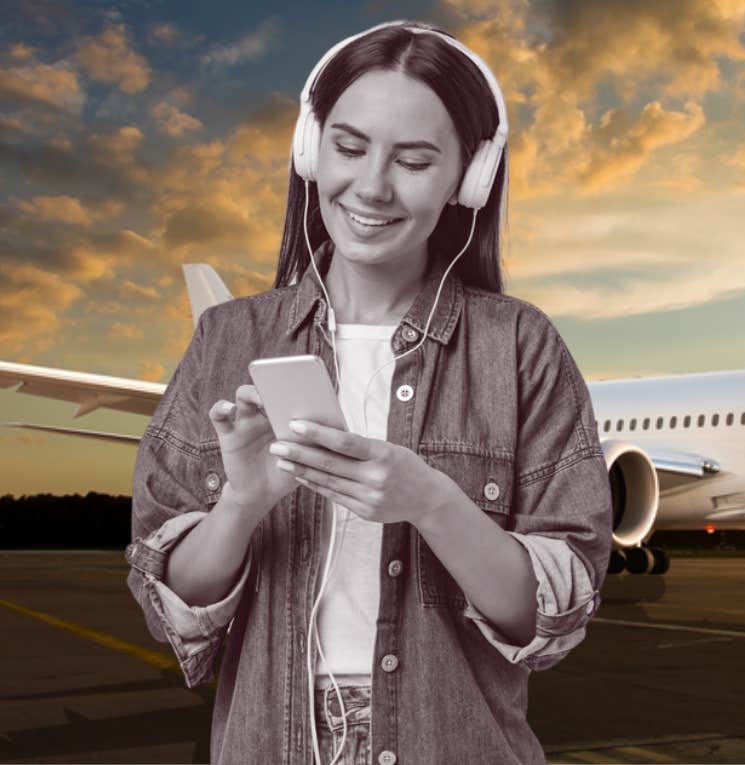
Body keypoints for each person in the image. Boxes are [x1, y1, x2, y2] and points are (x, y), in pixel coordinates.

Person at [124, 20, 613, 765]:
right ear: (308, 147)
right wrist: (241, 503)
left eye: (414, 161)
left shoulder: (521, 346)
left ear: (469, 179)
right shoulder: (226, 339)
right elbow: (172, 608)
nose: (372, 187)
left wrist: (433, 501)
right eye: (349, 148)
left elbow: (551, 614)